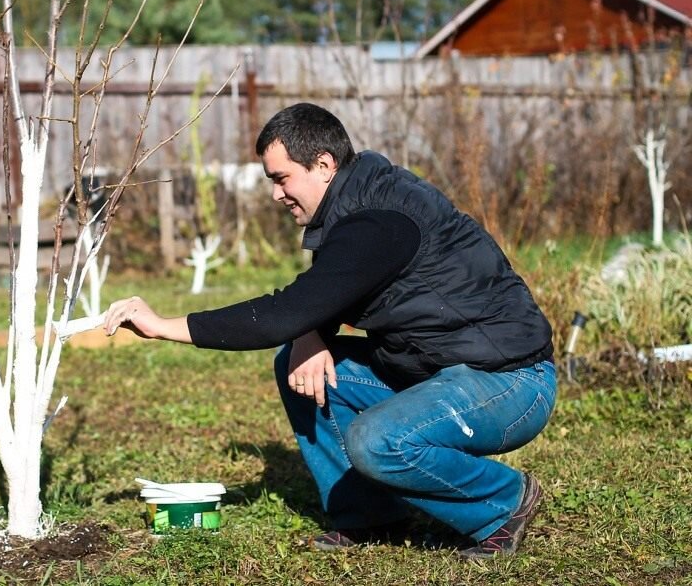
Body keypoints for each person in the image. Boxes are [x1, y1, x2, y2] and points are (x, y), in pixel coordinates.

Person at [104, 102, 556, 560]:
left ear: (324, 164)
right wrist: (308, 335)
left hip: (510, 382)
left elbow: (285, 312)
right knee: (297, 364)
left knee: (377, 441)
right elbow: (322, 296)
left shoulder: (379, 220)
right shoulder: (353, 203)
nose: (277, 195)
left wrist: (163, 326)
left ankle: (505, 501)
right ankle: (370, 515)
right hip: (436, 370)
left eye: (281, 178)